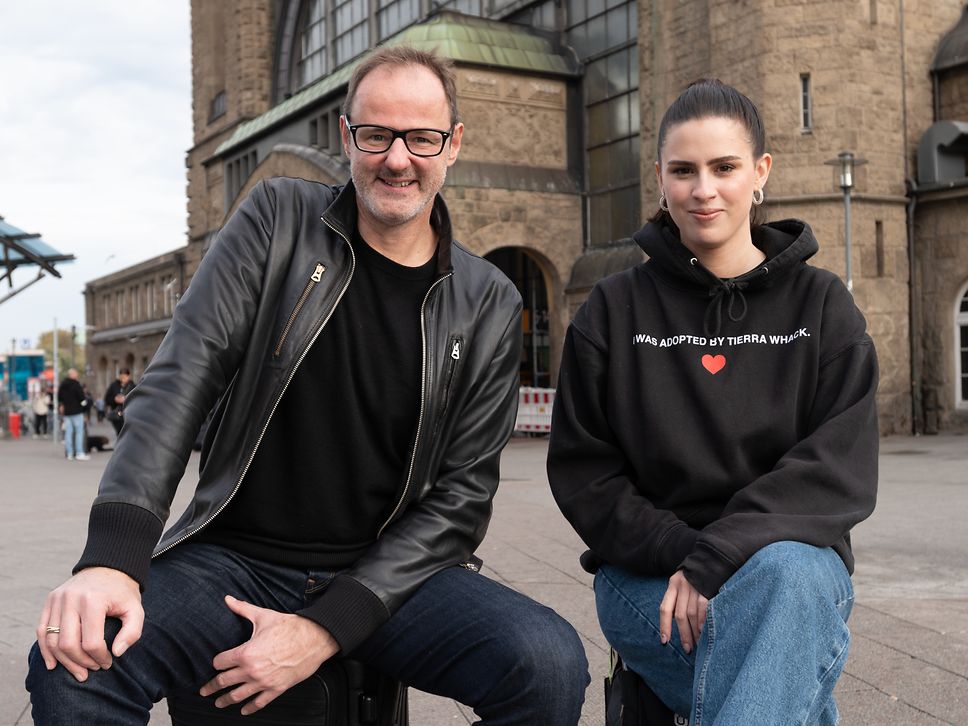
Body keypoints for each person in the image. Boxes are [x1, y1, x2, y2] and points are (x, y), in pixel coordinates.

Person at [27, 46, 588, 725]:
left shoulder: (489, 300)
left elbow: (462, 498)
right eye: (376, 135)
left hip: (389, 577)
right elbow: (181, 378)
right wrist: (113, 557)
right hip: (233, 562)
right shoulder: (278, 220)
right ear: (347, 136)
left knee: (549, 662)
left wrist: (325, 628)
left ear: (454, 145)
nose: (397, 158)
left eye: (422, 137)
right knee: (75, 656)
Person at [547, 79, 879, 724]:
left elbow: (838, 468)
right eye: (684, 170)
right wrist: (687, 556)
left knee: (784, 587)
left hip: (796, 564)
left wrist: (721, 556)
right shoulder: (614, 309)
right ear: (661, 179)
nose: (704, 190)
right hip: (650, 571)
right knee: (786, 666)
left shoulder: (822, 305)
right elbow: (586, 474)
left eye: (724, 167)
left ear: (760, 173)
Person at [56, 368, 90, 461]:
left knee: (68, 433)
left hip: (67, 412)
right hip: (77, 411)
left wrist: (62, 405)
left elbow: (59, 397)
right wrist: (85, 407)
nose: (77, 375)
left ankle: (69, 453)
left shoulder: (63, 385)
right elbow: (82, 398)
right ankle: (79, 452)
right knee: (79, 432)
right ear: (73, 375)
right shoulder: (76, 384)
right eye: (76, 374)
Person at [103, 368, 134, 437]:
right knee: (120, 433)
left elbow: (136, 399)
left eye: (124, 377)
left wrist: (126, 399)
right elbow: (107, 399)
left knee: (127, 433)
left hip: (129, 413)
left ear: (128, 376)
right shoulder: (113, 385)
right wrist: (115, 399)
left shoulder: (133, 386)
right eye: (121, 376)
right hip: (116, 414)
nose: (123, 378)